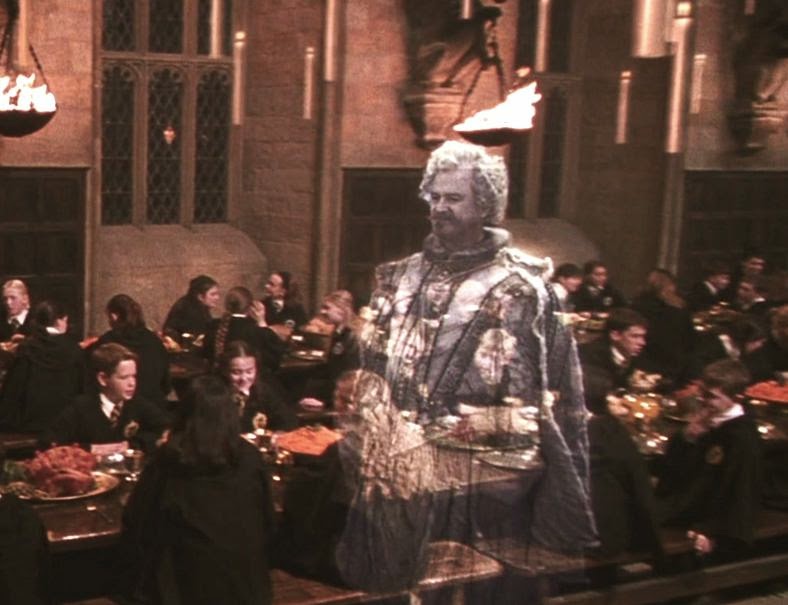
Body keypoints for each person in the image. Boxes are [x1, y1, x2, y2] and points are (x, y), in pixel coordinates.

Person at [361, 141, 595, 555]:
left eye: (453, 198)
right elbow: (373, 375)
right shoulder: (398, 278)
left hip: (493, 485)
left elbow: (560, 401)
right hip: (406, 477)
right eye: (434, 197)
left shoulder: (526, 288)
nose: (439, 207)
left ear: (485, 204)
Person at [119, 375, 276, 605]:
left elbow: (137, 519)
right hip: (249, 587)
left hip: (185, 588)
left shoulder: (171, 458)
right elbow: (268, 519)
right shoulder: (249, 456)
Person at [655, 359, 761, 562]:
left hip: (710, 517)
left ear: (737, 398)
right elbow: (674, 469)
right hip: (687, 501)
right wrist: (687, 437)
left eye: (711, 396)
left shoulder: (741, 438)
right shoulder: (708, 422)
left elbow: (738, 489)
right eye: (702, 392)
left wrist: (710, 530)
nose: (702, 400)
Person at [41, 343, 169, 453]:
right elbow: (50, 443)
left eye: (133, 376)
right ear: (103, 379)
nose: (132, 383)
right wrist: (92, 449)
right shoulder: (80, 408)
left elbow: (164, 428)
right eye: (124, 377)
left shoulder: (136, 403)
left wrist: (133, 444)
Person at [0, 300, 84, 433]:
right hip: (67, 425)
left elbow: (14, 390)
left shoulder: (27, 348)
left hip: (29, 424)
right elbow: (83, 389)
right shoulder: (75, 350)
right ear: (61, 320)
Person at [91, 294, 171, 406]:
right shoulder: (155, 341)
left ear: (114, 316)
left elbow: (92, 382)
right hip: (154, 405)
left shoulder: (106, 342)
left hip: (120, 407)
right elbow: (166, 385)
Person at [630, 269, 696, 385]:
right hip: (672, 367)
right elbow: (690, 342)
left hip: (640, 365)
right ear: (671, 286)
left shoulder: (635, 307)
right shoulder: (678, 311)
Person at [299, 290, 361, 408]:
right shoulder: (338, 334)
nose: (322, 312)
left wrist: (325, 402)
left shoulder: (351, 338)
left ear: (341, 310)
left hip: (341, 398)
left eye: (327, 308)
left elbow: (349, 379)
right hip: (332, 389)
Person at [217, 340, 297, 432]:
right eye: (236, 372)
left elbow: (287, 420)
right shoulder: (213, 395)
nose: (244, 378)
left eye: (249, 372)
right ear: (225, 371)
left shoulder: (262, 391)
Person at [203, 286, 286, 371]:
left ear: (226, 305)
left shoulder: (213, 325)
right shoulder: (256, 331)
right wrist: (261, 321)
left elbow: (205, 354)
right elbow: (275, 358)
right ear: (250, 307)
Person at [579, 308, 651, 391]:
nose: (642, 343)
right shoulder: (590, 355)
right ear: (615, 335)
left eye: (642, 337)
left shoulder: (636, 355)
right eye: (635, 336)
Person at [162, 275, 220, 344]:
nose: (217, 298)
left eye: (217, 294)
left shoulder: (199, 307)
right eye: (213, 294)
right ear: (200, 297)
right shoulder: (188, 311)